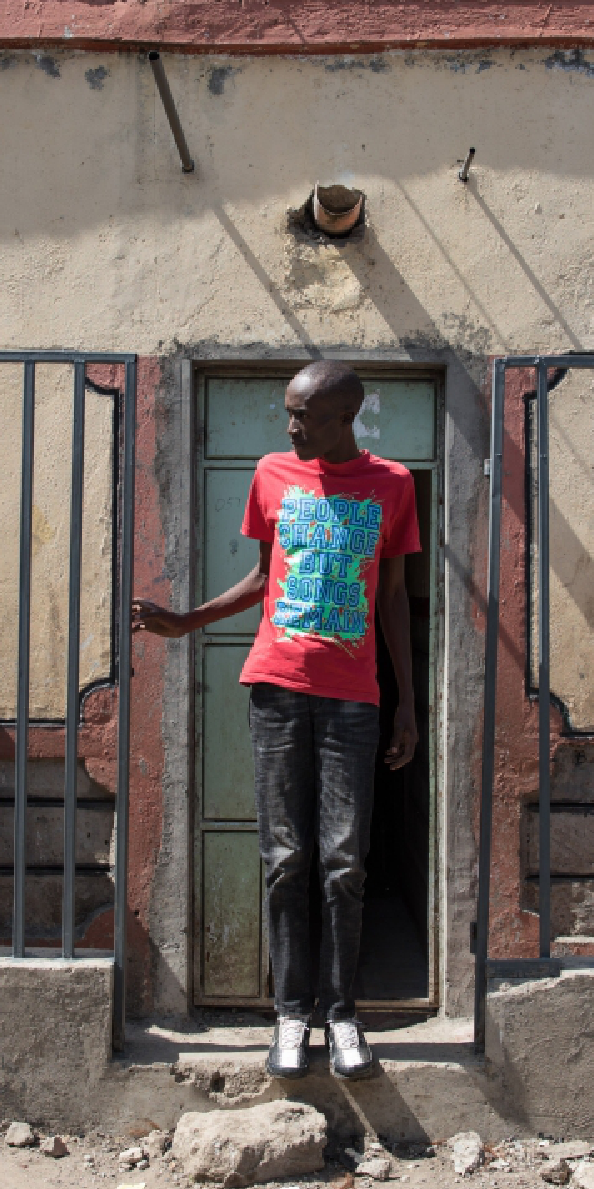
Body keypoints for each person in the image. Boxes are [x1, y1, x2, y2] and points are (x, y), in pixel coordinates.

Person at [132, 360, 419, 1081]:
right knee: (286, 857)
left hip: (355, 697)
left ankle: (342, 1013)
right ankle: (292, 1014)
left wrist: (407, 703)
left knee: (345, 860)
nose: (289, 427)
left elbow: (391, 599)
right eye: (288, 413)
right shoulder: (271, 474)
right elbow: (265, 580)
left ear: (344, 415)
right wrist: (188, 621)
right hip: (277, 688)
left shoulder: (394, 484)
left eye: (303, 415)